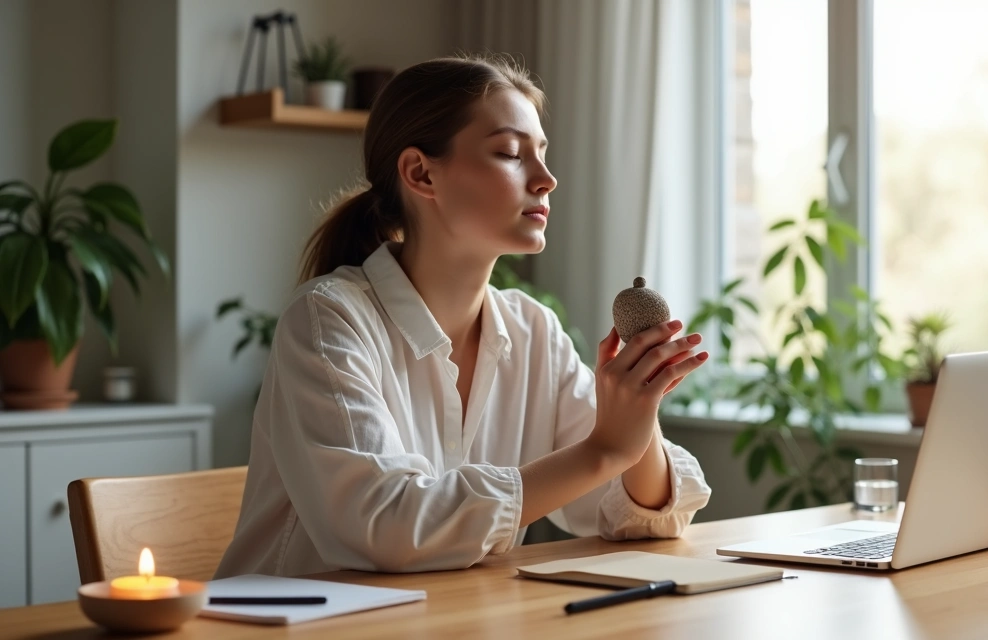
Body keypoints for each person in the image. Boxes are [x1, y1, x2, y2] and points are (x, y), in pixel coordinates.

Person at [214, 54, 712, 578]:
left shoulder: (533, 330)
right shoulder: (328, 320)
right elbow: (388, 528)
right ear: (421, 173)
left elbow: (648, 519)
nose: (546, 180)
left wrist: (639, 410)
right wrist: (604, 450)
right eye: (509, 153)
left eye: (542, 154)